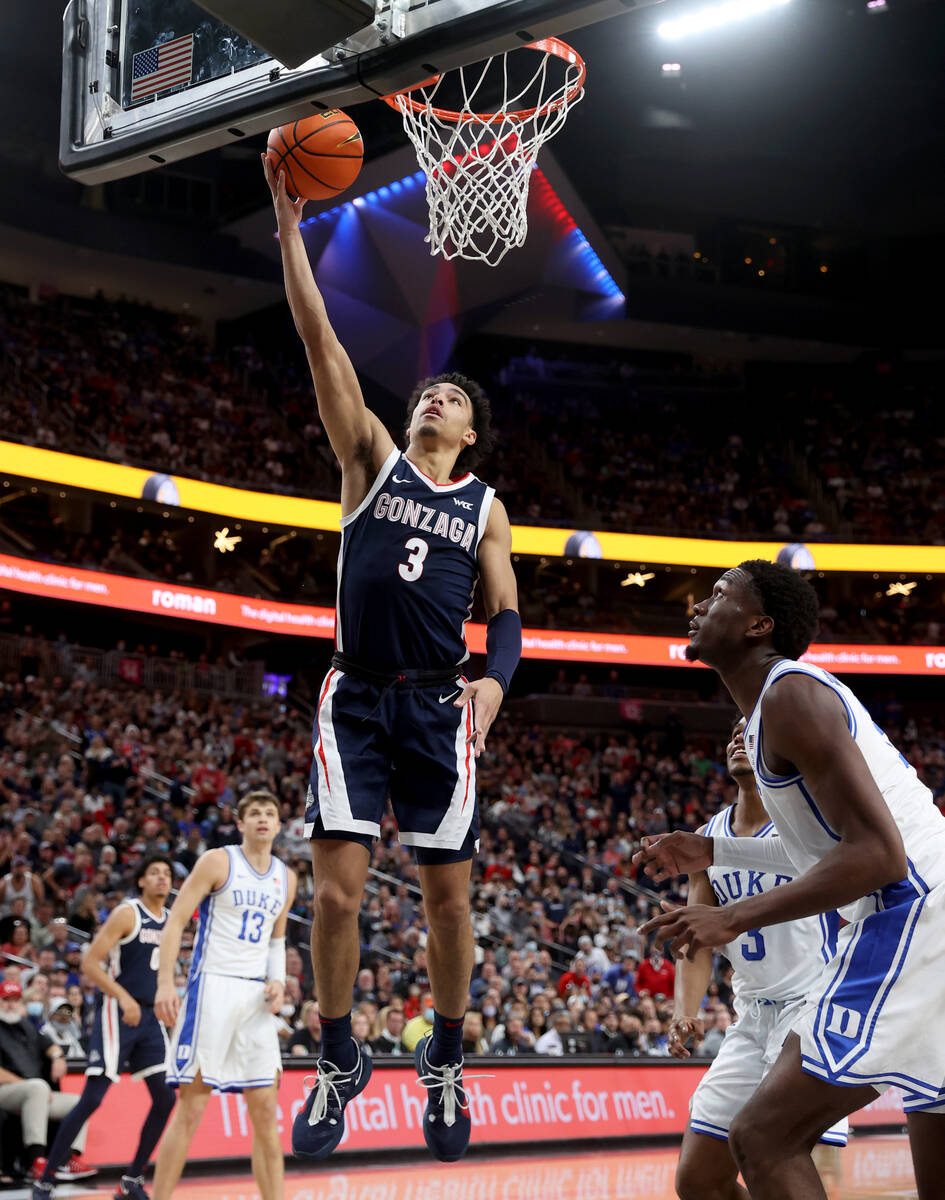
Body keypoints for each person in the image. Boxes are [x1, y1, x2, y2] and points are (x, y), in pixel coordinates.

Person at [264, 154, 520, 1167]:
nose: (434, 399)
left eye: (452, 398)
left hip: (438, 706)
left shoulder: (485, 506)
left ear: (470, 430)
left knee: (448, 899)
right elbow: (320, 338)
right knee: (335, 893)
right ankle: (337, 1058)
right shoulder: (368, 457)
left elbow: (506, 614)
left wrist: (495, 683)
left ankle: (447, 1061)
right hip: (356, 696)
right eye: (428, 391)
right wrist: (291, 234)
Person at [635, 560, 945, 1200]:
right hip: (924, 909)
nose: (697, 605)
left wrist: (733, 916)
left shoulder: (791, 696)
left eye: (718, 595)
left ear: (758, 624)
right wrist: (713, 849)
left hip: (913, 913)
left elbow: (880, 859)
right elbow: (827, 852)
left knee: (766, 1138)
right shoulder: (767, 713)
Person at [671, 716, 847, 1200]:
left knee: (780, 1162)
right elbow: (697, 938)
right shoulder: (707, 838)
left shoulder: (810, 825)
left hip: (810, 1009)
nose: (736, 738)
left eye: (750, 731)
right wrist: (684, 1011)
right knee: (698, 1182)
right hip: (749, 1017)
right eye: (731, 732)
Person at [153, 791, 297, 1200]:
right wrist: (166, 982)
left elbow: (277, 938)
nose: (263, 820)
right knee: (192, 1108)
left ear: (279, 824)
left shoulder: (286, 876)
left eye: (270, 813)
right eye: (254, 814)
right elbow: (176, 920)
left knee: (266, 1113)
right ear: (241, 822)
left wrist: (278, 980)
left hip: (255, 998)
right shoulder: (218, 861)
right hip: (212, 987)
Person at [32, 855, 177, 1200]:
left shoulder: (172, 919)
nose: (162, 878)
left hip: (150, 1017)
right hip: (117, 1011)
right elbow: (90, 963)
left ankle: (132, 1180)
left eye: (167, 874)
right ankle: (46, 1179)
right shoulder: (128, 913)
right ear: (141, 880)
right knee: (92, 1098)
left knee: (166, 1098)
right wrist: (124, 999)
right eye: (154, 872)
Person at [0, 980, 96, 1184]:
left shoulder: (27, 1027)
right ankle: (37, 1160)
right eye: (6, 1000)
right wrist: (32, 1086)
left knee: (78, 1102)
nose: (10, 1004)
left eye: (15, 1000)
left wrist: (57, 1057)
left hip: (34, 1092)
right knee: (38, 1087)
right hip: (6, 1091)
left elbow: (50, 1044)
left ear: (21, 1002)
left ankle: (68, 1159)